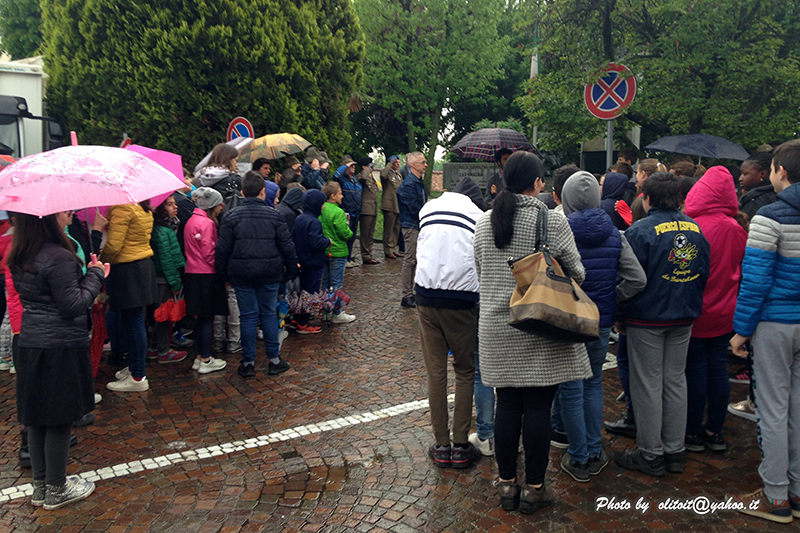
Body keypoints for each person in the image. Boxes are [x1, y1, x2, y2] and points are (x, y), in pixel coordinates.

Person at [473, 151, 590, 514]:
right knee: (539, 406)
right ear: (538, 183)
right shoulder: (551, 222)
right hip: (539, 325)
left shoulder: (483, 223)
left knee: (506, 403)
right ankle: (535, 489)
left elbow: (482, 272)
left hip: (496, 326)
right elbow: (577, 274)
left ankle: (507, 486)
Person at [551, 171, 646, 483]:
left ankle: (578, 456)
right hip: (602, 321)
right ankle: (594, 450)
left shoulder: (557, 233)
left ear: (565, 199)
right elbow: (637, 280)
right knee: (592, 385)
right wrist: (611, 300)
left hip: (568, 320)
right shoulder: (615, 234)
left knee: (570, 387)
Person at [613, 172, 710, 477]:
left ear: (647, 198)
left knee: (648, 385)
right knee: (675, 382)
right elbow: (704, 269)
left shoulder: (640, 231)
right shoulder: (695, 228)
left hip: (647, 317)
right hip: (683, 314)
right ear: (679, 198)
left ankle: (651, 453)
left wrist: (621, 313)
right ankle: (674, 450)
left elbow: (629, 277)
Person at [9, 211, 104, 509]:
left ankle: (42, 486)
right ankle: (57, 488)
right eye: (64, 211)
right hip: (60, 345)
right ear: (47, 218)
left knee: (36, 418)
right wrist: (96, 274)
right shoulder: (58, 256)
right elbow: (72, 305)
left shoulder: (20, 252)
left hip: (32, 341)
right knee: (60, 419)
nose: (70, 213)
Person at [729, 140, 800, 523]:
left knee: (772, 410)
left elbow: (755, 281)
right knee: (799, 409)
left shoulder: (769, 217)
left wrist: (742, 330)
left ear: (781, 172)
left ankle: (774, 497)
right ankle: (797, 490)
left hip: (776, 323)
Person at [416, 177, 485, 469]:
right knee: (465, 370)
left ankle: (441, 444)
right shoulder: (479, 216)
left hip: (425, 296)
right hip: (461, 300)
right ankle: (460, 445)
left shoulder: (428, 208)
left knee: (435, 372)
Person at [682, 166, 747, 453]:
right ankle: (714, 430)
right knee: (718, 369)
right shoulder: (737, 229)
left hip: (696, 309)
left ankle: (693, 430)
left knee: (695, 370)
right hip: (726, 311)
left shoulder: (692, 226)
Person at [216, 172, 297, 378]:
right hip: (269, 272)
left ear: (242, 192)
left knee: (248, 317)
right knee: (269, 315)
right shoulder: (275, 216)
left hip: (241, 274)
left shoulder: (231, 217)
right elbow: (286, 246)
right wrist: (290, 271)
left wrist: (223, 274)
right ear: (263, 192)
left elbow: (223, 249)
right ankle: (274, 360)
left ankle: (249, 362)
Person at [101, 201, 160, 392]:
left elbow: (114, 246)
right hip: (141, 265)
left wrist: (99, 261)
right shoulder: (142, 207)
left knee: (133, 323)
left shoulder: (121, 209)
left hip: (127, 269)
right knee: (134, 321)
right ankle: (136, 367)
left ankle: (137, 376)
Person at [183, 188, 229, 375]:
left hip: (192, 273)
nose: (221, 208)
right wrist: (221, 271)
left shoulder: (191, 220)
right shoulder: (207, 223)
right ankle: (205, 358)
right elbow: (210, 253)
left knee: (201, 318)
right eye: (219, 205)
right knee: (207, 317)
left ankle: (200, 357)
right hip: (206, 275)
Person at [147, 195, 188, 364]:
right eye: (170, 204)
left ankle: (154, 347)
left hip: (162, 278)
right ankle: (163, 350)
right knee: (164, 315)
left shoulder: (167, 228)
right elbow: (166, 259)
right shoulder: (162, 231)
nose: (175, 207)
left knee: (161, 314)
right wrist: (175, 283)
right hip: (163, 279)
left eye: (174, 204)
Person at [290, 190, 330, 334]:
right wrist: (327, 241)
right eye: (322, 204)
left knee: (301, 291)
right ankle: (304, 322)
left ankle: (296, 317)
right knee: (310, 293)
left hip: (302, 261)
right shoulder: (315, 222)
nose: (323, 207)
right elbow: (316, 242)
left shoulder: (299, 218)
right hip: (313, 263)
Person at [319, 181, 356, 324]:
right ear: (333, 196)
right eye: (340, 193)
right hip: (338, 251)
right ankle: (337, 312)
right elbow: (344, 233)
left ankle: (325, 311)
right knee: (336, 284)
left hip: (325, 251)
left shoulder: (321, 209)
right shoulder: (338, 212)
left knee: (325, 284)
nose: (342, 196)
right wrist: (350, 230)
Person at [397, 152, 428, 308]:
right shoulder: (409, 185)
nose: (426, 165)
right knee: (410, 260)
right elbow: (416, 208)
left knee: (415, 259)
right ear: (414, 165)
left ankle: (412, 292)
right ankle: (406, 295)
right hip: (411, 226)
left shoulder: (418, 182)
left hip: (418, 225)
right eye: (423, 162)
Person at [333, 156, 362, 267]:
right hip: (346, 211)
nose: (353, 167)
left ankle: (348, 258)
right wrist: (345, 166)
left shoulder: (355, 179)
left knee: (352, 237)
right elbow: (335, 176)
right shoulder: (342, 179)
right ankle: (344, 259)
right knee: (345, 236)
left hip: (356, 212)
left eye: (354, 165)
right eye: (351, 165)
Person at [196, 143, 243, 209]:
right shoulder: (234, 179)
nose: (236, 164)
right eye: (235, 160)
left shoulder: (205, 177)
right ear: (228, 160)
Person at [739, 151, 777, 220]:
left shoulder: (755, 201)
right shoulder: (778, 193)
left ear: (763, 174)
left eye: (745, 174)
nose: (740, 178)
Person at [380, 155, 403, 259]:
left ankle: (393, 248)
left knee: (396, 228)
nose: (398, 164)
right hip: (389, 204)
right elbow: (383, 175)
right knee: (389, 228)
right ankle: (388, 249)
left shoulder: (398, 174)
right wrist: (389, 164)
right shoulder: (387, 173)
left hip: (397, 204)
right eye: (395, 162)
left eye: (398, 162)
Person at [358, 157, 380, 265]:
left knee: (370, 234)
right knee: (365, 234)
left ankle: (369, 254)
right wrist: (367, 169)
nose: (373, 168)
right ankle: (365, 255)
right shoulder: (362, 176)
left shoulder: (370, 178)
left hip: (373, 208)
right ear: (364, 167)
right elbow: (362, 178)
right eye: (370, 166)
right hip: (366, 209)